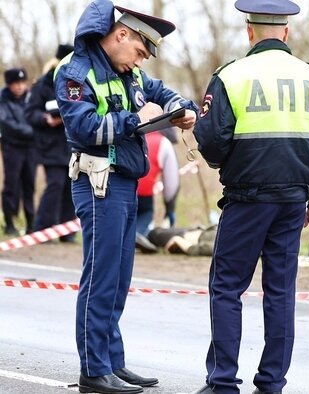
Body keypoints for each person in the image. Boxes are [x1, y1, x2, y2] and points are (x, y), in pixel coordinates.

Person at [191, 0, 309, 393]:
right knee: (280, 291)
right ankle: (272, 381)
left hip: (247, 199)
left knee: (227, 287)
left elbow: (212, 143)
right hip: (293, 202)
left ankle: (223, 382)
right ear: (286, 32)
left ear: (249, 30)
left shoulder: (230, 76)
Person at [53, 1, 198, 393]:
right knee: (100, 279)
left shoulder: (128, 73)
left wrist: (178, 109)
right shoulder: (74, 71)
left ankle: (112, 363)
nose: (139, 63)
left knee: (117, 281)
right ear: (120, 35)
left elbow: (158, 91)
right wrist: (139, 119)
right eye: (138, 51)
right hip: (98, 182)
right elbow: (85, 128)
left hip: (126, 182)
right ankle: (93, 371)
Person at [26, 44, 76, 241]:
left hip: (71, 145)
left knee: (71, 188)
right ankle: (43, 229)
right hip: (51, 145)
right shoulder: (41, 85)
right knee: (55, 185)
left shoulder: (75, 83)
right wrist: (45, 119)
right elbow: (30, 113)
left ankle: (67, 232)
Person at [0, 67, 35, 235]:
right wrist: (30, 131)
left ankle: (31, 223)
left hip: (30, 148)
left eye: (22, 82)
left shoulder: (31, 97)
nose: (20, 86)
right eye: (16, 83)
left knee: (29, 184)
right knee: (11, 185)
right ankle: (9, 222)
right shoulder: (3, 100)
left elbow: (36, 116)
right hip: (12, 147)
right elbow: (6, 124)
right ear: (9, 85)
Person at [135, 128, 180, 253]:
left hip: (122, 186)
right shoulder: (164, 142)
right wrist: (169, 207)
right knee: (146, 213)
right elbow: (171, 181)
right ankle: (137, 234)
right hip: (144, 191)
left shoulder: (134, 134)